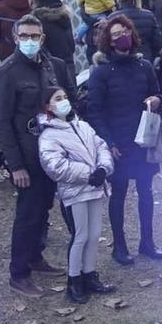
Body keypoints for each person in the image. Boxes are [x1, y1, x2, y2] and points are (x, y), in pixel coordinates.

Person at [0, 14, 73, 295]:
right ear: (15, 38)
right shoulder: (7, 72)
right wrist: (15, 165)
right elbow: (0, 121)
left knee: (43, 209)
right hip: (26, 156)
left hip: (52, 152)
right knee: (27, 214)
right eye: (23, 36)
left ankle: (36, 256)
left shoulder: (51, 65)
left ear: (42, 38)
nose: (28, 41)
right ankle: (19, 272)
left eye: (33, 36)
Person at [85, 13, 162, 266]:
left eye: (125, 32)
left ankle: (147, 242)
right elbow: (94, 110)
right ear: (108, 41)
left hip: (143, 140)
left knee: (146, 191)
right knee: (118, 193)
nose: (122, 38)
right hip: (118, 143)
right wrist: (108, 143)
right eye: (116, 35)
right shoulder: (101, 73)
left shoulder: (145, 66)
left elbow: (158, 94)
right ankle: (119, 246)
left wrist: (157, 101)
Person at [37, 87, 117, 304]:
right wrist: (88, 174)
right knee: (80, 235)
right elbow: (55, 165)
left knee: (94, 234)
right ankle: (74, 280)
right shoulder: (48, 136)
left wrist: (102, 169)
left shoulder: (83, 126)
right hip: (75, 192)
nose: (63, 101)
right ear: (48, 107)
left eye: (64, 97)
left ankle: (89, 274)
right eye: (57, 99)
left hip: (95, 188)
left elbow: (100, 146)